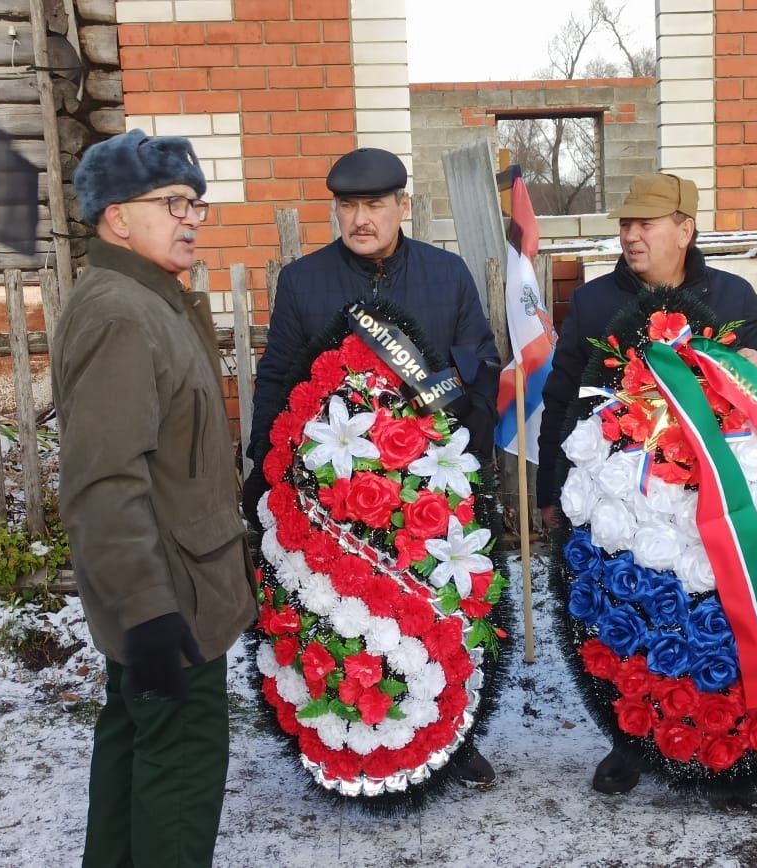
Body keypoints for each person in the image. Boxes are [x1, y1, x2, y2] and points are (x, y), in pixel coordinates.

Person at [241, 146, 501, 788]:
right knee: (337, 618)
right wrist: (260, 467)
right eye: (348, 206)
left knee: (442, 615)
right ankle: (343, 740)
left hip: (426, 491)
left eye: (375, 205)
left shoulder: (448, 275)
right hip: (329, 496)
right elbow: (277, 375)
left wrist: (467, 459)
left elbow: (483, 364)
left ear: (402, 206)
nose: (360, 219)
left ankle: (452, 734)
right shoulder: (304, 281)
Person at [537, 172, 757, 805]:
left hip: (717, 501)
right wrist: (552, 491)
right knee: (629, 622)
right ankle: (632, 742)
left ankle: (738, 752)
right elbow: (561, 400)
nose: (631, 235)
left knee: (720, 624)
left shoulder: (730, 294)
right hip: (627, 501)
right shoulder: (596, 304)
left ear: (685, 229)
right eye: (626, 224)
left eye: (646, 224)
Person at [52, 129, 257, 866]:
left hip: (184, 586)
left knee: (135, 742)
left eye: (195, 202)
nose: (192, 217)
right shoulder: (119, 314)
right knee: (179, 770)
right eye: (173, 202)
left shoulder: (153, 300)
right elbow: (104, 481)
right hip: (170, 603)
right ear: (116, 217)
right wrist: (147, 615)